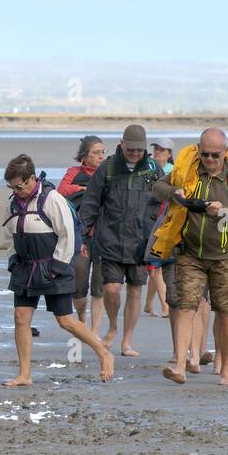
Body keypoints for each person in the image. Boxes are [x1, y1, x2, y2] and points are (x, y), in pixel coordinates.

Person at [151, 128, 228, 386]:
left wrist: (226, 214)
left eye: (215, 156)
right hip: (190, 253)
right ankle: (179, 366)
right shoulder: (187, 169)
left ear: (224, 152)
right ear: (198, 150)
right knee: (185, 307)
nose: (209, 160)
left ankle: (226, 370)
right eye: (205, 154)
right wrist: (175, 193)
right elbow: (158, 187)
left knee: (225, 312)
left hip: (226, 256)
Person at [1, 155, 114, 386]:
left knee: (65, 320)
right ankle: (25, 374)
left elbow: (68, 235)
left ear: (32, 178)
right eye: (11, 187)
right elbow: (9, 234)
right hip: (24, 268)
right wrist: (13, 259)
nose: (16, 190)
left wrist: (58, 267)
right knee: (21, 317)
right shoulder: (14, 202)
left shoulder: (52, 199)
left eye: (19, 186)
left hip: (52, 267)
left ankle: (104, 353)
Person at [77, 124, 161, 357]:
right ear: (122, 144)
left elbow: (164, 204)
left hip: (141, 241)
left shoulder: (154, 169)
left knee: (135, 291)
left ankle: (126, 341)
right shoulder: (109, 167)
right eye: (131, 149)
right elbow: (91, 203)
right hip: (110, 239)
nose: (135, 154)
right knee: (111, 289)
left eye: (139, 150)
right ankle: (113, 326)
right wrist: (83, 236)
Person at [57, 135, 107, 335]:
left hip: (104, 235)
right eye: (96, 153)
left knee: (99, 287)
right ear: (84, 156)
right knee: (79, 285)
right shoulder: (74, 172)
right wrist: (85, 189)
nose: (100, 156)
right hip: (80, 235)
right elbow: (61, 191)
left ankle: (94, 331)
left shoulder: (107, 172)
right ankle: (80, 318)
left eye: (103, 152)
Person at [143, 137, 175, 317]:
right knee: (154, 265)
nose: (157, 153)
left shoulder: (172, 172)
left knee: (157, 265)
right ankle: (150, 304)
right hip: (149, 219)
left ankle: (164, 306)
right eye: (156, 149)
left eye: (162, 150)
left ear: (170, 154)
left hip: (164, 220)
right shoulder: (149, 168)